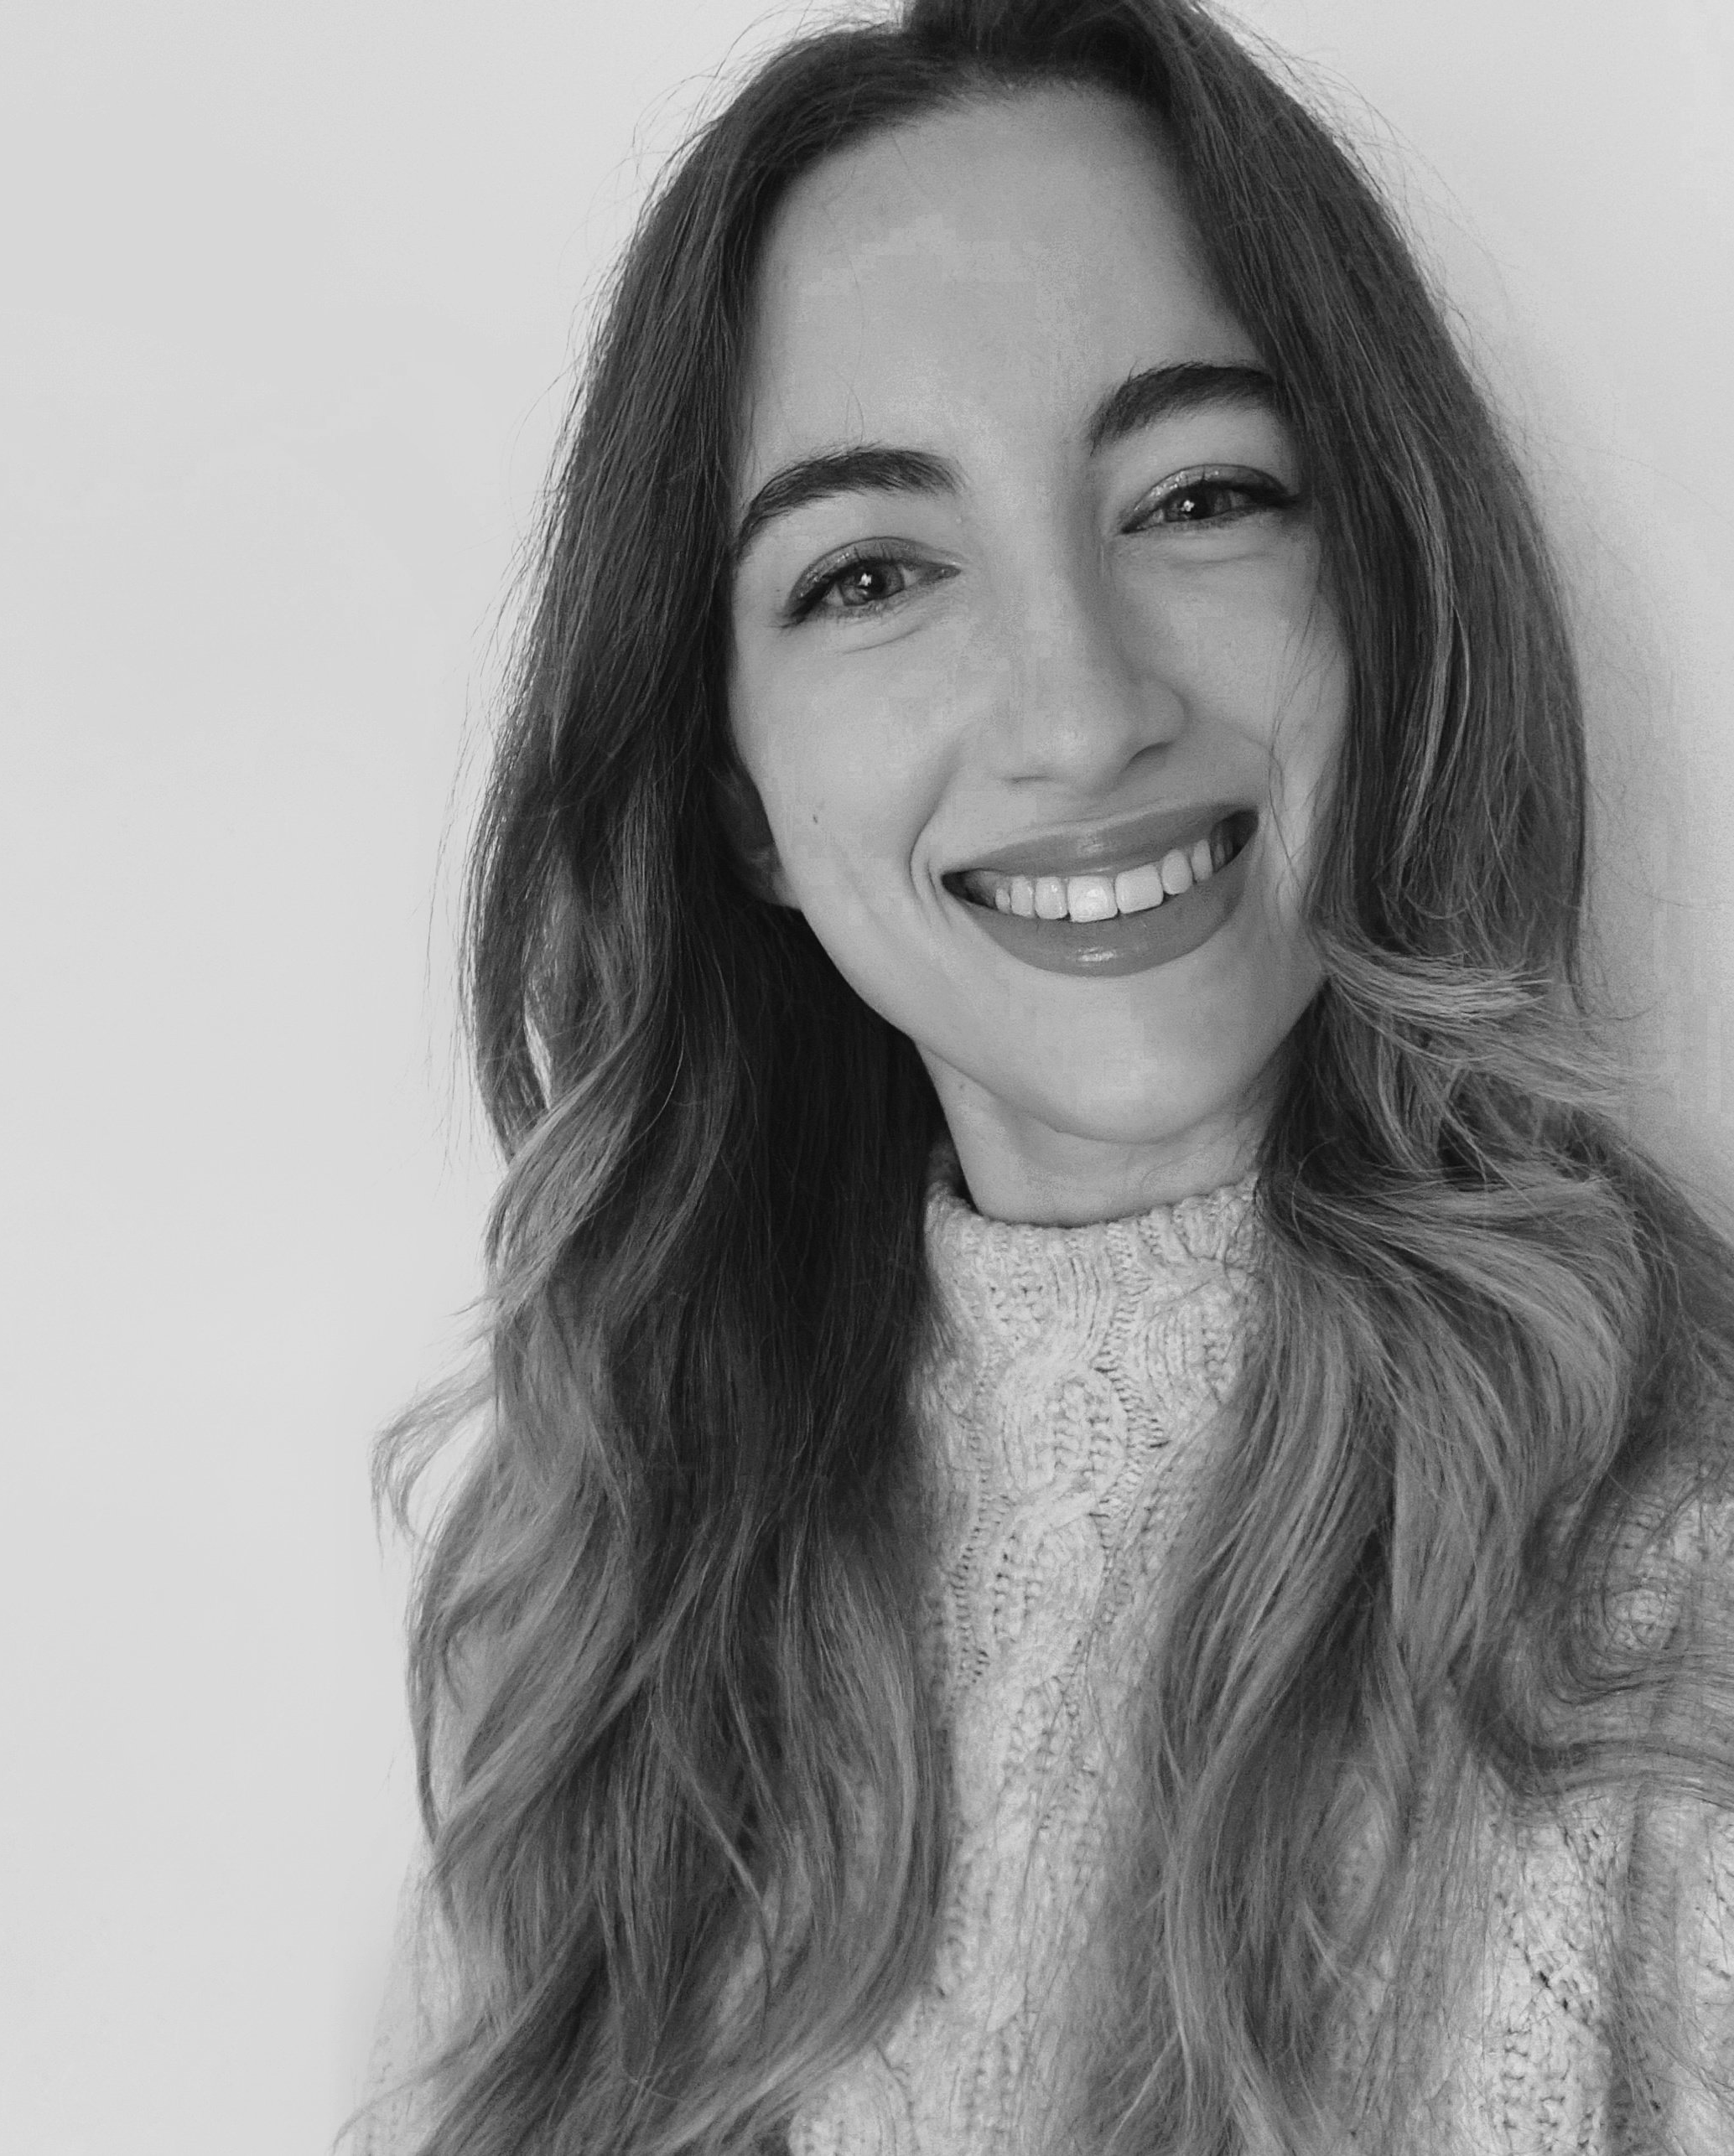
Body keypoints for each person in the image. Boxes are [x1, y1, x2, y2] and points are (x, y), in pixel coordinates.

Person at [354, 1, 1734, 2150]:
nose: (1080, 710)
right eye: (874, 571)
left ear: (1388, 583)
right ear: (732, 792)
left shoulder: (1685, 1596)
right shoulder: (590, 1600)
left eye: (1198, 494)